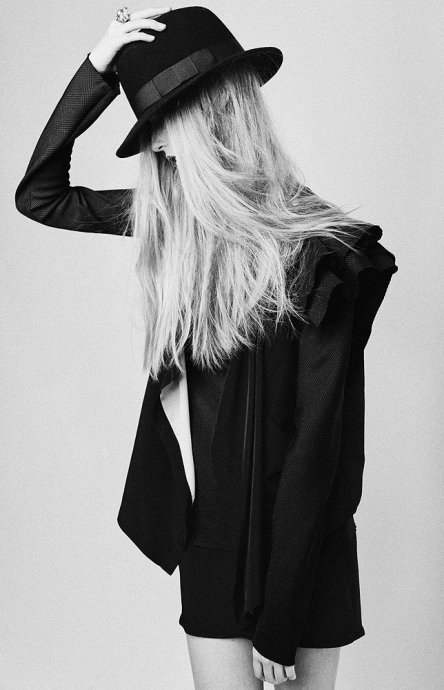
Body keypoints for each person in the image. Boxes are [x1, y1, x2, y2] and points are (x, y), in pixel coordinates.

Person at [14, 6, 398, 688]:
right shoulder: (181, 226)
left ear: (208, 118)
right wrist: (97, 69)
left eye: (160, 124)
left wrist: (281, 617)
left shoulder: (324, 252)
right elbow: (41, 196)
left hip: (306, 553)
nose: (156, 147)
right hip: (216, 544)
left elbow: (318, 445)